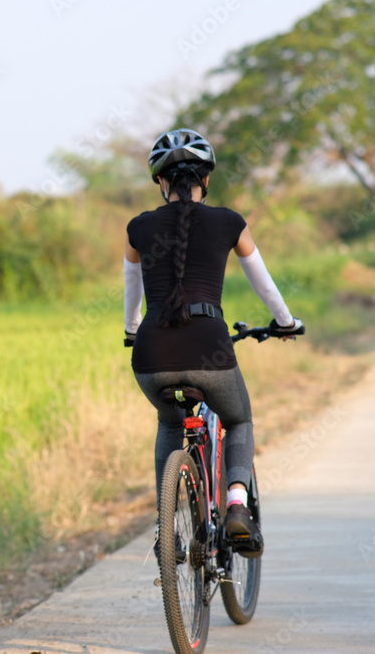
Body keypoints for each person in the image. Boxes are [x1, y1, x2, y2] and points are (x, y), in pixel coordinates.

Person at [123, 128, 302, 558]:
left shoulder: (138, 228)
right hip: (210, 349)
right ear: (206, 179)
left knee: (170, 424)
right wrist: (286, 322)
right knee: (238, 420)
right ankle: (237, 503)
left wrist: (132, 330)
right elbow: (264, 284)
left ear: (161, 182)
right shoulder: (229, 222)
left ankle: (168, 526)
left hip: (151, 355)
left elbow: (132, 290)